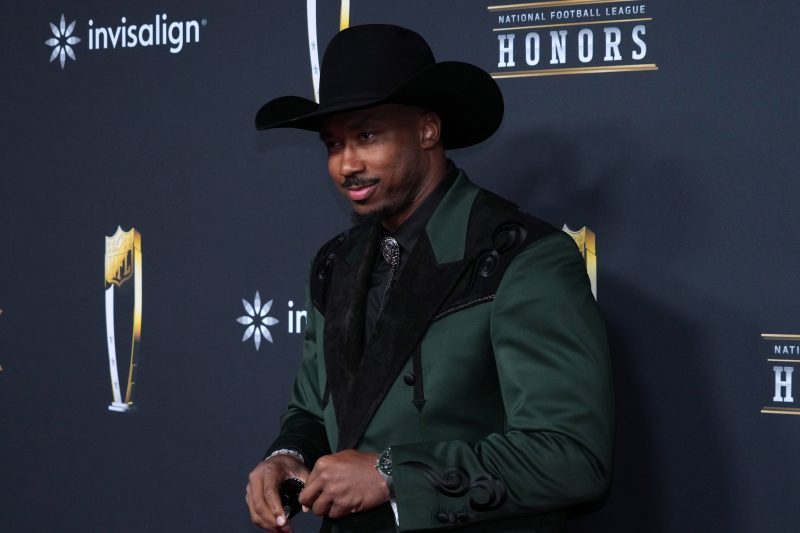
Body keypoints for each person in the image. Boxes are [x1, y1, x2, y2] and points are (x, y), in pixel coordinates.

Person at [246, 24, 613, 533]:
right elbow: (312, 410)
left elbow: (570, 457)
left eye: (367, 136)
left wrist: (392, 474)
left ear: (427, 131)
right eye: (333, 144)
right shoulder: (333, 263)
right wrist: (287, 455)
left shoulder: (525, 260)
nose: (346, 164)